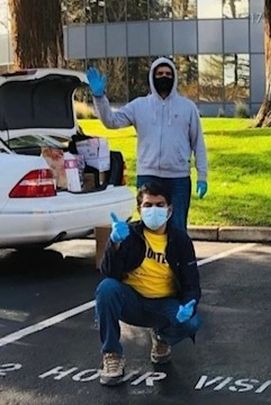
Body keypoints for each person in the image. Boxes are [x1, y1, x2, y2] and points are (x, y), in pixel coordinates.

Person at [95, 182, 201, 386]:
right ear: (139, 209)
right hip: (132, 301)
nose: (154, 210)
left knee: (192, 322)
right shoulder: (129, 234)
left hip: (164, 304)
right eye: (148, 205)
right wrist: (114, 244)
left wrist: (190, 304)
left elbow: (192, 283)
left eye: (160, 205)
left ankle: (162, 336)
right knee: (106, 289)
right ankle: (112, 354)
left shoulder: (180, 240)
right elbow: (109, 273)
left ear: (169, 210)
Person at [87, 57, 209, 231]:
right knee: (150, 229)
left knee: (177, 229)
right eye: (160, 74)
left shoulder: (187, 108)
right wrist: (99, 98)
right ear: (152, 77)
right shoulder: (139, 106)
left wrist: (202, 176)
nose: (164, 77)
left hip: (178, 179)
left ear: (174, 77)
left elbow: (198, 144)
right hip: (148, 175)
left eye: (168, 74)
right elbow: (111, 121)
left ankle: (177, 251)